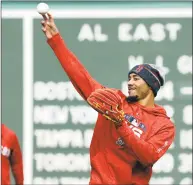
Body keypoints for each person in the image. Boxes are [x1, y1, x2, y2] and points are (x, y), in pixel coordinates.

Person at [40, 13, 175, 185]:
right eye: (129, 78)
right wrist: (56, 41)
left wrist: (121, 124)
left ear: (150, 85)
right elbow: (81, 76)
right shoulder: (113, 102)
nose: (130, 83)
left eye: (136, 78)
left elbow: (148, 156)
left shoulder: (164, 125)